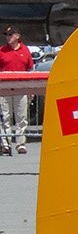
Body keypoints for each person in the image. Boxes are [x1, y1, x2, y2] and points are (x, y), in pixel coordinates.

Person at [0, 27, 34, 155]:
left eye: (10, 35)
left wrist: (31, 90)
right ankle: (6, 144)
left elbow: (30, 69)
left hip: (21, 87)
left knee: (21, 117)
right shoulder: (2, 51)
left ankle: (20, 144)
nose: (8, 37)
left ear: (17, 36)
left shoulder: (25, 51)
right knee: (5, 116)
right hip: (5, 88)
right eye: (6, 35)